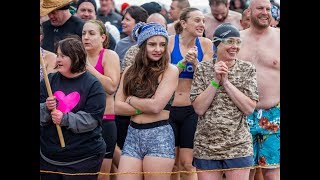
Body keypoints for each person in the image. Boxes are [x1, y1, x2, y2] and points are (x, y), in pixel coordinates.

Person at [190, 23, 258, 180]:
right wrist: (215, 81)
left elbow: (249, 109)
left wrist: (226, 83)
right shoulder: (202, 69)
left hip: (238, 145)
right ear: (217, 44)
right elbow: (199, 109)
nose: (235, 46)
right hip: (206, 146)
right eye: (230, 41)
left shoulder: (247, 69)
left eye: (238, 42)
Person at [115, 22, 179, 180]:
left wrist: (131, 100)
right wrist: (142, 107)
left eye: (162, 44)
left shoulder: (170, 70)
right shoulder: (130, 71)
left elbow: (156, 106)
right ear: (142, 45)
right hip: (132, 134)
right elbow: (117, 107)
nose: (158, 49)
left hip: (159, 135)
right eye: (152, 44)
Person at [40, 37, 107, 180]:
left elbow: (92, 119)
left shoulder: (93, 85)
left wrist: (64, 119)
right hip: (49, 158)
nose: (57, 59)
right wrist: (46, 108)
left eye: (63, 56)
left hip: (83, 160)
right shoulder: (49, 80)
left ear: (76, 56)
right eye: (57, 55)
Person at [167, 7, 214, 180]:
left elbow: (209, 77)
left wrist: (195, 63)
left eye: (203, 20)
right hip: (169, 108)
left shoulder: (205, 44)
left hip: (192, 110)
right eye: (197, 20)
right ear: (184, 23)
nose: (201, 24)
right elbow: (163, 74)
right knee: (171, 162)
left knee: (188, 164)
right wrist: (182, 61)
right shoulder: (170, 42)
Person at [237, 0, 280, 179]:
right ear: (249, 11)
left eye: (268, 9)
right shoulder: (236, 39)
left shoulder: (279, 37)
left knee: (273, 172)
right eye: (260, 8)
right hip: (240, 114)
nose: (265, 12)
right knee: (243, 171)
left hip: (273, 113)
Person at [82, 19, 121, 180]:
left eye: (91, 34)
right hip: (82, 122)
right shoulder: (79, 56)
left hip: (104, 121)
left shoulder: (109, 55)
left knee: (102, 174)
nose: (86, 37)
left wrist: (89, 69)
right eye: (83, 33)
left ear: (103, 38)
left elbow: (111, 87)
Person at [114, 5, 148, 72]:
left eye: (127, 19)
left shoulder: (148, 43)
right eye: (123, 18)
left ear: (139, 23)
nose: (122, 22)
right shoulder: (120, 44)